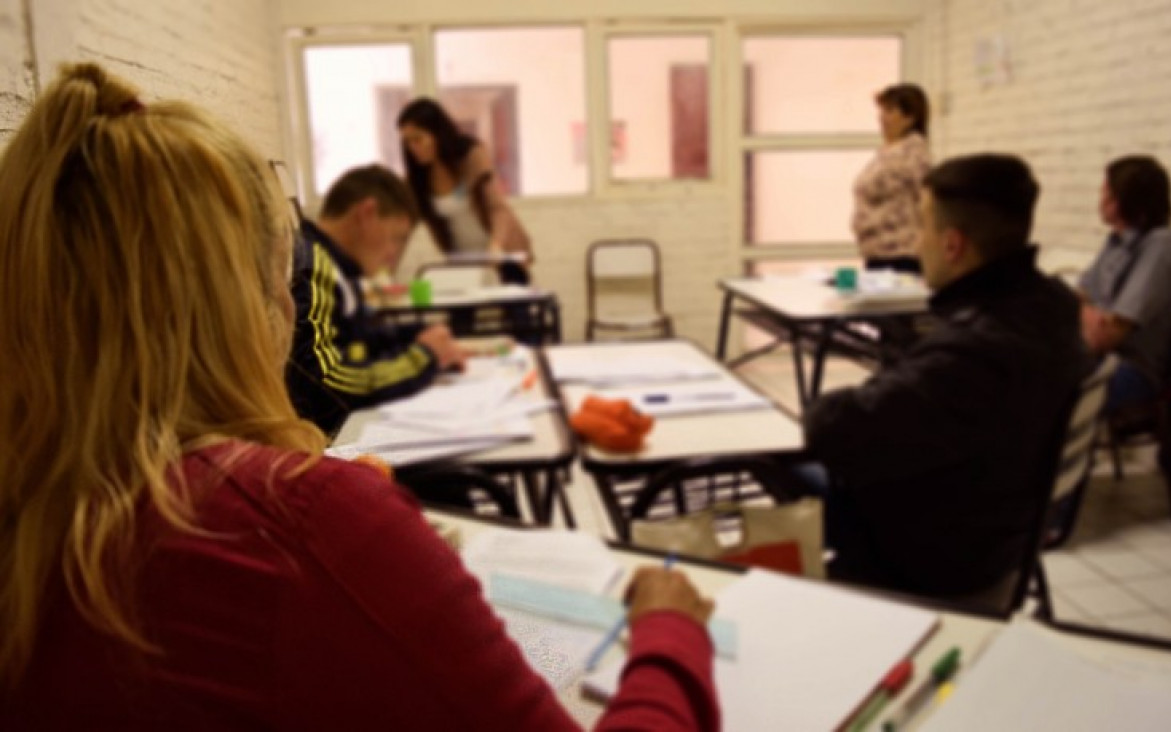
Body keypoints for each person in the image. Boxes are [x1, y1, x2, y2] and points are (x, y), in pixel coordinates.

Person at [0, 63, 719, 731]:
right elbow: (335, 379)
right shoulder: (289, 518)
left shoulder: (42, 513)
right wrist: (670, 630)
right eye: (276, 281)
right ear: (241, 305)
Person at [802, 154, 1087, 598]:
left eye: (922, 229)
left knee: (783, 475)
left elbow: (835, 429)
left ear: (952, 245)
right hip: (998, 526)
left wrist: (825, 405)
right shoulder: (1056, 306)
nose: (916, 246)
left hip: (937, 554)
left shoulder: (972, 352)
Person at [286, 164, 468, 436]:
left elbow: (361, 340)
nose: (394, 255)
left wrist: (421, 336)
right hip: (329, 444)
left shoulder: (337, 267)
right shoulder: (314, 267)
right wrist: (423, 358)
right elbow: (326, 384)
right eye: (396, 238)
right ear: (367, 213)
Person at [1077, 155, 1171, 413]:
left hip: (1132, 371)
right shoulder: (1116, 242)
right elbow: (1079, 299)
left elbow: (1105, 336)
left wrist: (1083, 311)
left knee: (1034, 390)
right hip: (1096, 358)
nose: (1100, 197)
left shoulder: (1162, 247)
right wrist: (1088, 313)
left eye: (1106, 190)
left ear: (1122, 199)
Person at [397, 97, 533, 284]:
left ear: (436, 134)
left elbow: (497, 208)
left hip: (501, 254)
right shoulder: (416, 180)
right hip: (462, 263)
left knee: (515, 309)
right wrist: (387, 265)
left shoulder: (471, 156)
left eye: (418, 139)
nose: (413, 148)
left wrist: (495, 245)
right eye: (407, 142)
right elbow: (403, 228)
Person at [850, 83, 932, 274]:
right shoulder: (888, 152)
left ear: (910, 117)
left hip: (901, 255)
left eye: (890, 111)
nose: (881, 117)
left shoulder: (914, 153)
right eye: (882, 110)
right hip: (877, 252)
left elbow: (927, 201)